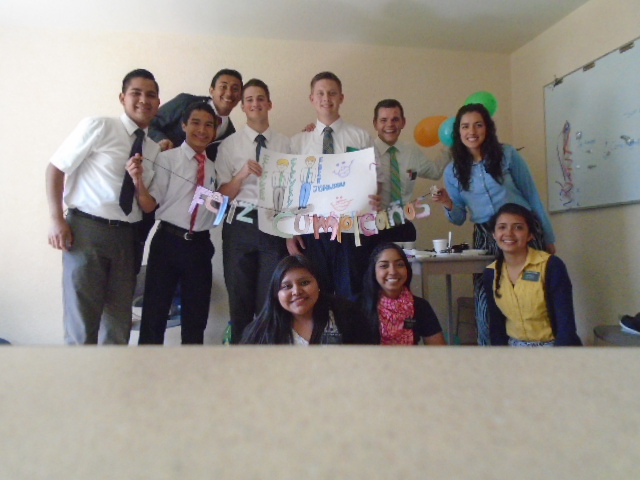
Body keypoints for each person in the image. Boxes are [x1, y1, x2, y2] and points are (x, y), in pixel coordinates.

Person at [46, 68, 161, 344]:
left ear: (158, 103)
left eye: (151, 95)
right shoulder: (99, 126)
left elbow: (146, 204)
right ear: (122, 97)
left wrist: (138, 180)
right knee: (82, 322)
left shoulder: (154, 149)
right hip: (87, 232)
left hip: (127, 238)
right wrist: (56, 219)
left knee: (118, 323)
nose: (143, 100)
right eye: (136, 93)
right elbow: (55, 168)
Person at [432, 103, 556, 345]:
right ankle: (492, 356)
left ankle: (539, 351)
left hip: (523, 234)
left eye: (478, 125)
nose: (472, 131)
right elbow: (458, 218)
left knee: (533, 298)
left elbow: (532, 195)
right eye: (465, 126)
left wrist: (549, 238)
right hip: (486, 238)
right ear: (458, 132)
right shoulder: (453, 171)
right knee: (486, 302)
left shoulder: (507, 154)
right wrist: (447, 203)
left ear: (487, 128)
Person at [287, 71, 380, 300]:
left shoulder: (360, 137)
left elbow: (374, 179)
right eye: (320, 93)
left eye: (332, 93)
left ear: (341, 97)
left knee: (353, 293)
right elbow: (291, 189)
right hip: (312, 229)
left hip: (351, 227)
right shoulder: (298, 142)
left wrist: (373, 200)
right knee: (316, 294)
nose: (326, 98)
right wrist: (289, 232)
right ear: (312, 98)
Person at [134, 102, 218, 345]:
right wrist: (138, 181)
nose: (201, 130)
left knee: (196, 319)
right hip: (168, 243)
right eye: (195, 123)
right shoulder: (167, 159)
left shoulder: (213, 168)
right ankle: (147, 366)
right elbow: (149, 205)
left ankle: (190, 367)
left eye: (208, 125)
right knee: (154, 314)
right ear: (183, 125)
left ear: (214, 131)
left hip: (200, 246)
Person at [215, 79, 290, 343]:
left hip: (274, 224)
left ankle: (268, 359)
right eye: (249, 100)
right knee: (240, 302)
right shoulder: (229, 145)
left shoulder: (286, 144)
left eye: (260, 98)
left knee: (272, 300)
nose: (255, 104)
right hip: (239, 224)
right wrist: (241, 175)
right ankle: (240, 358)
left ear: (269, 104)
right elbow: (221, 196)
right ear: (243, 107)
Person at [482, 204, 581, 346]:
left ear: (530, 235)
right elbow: (496, 326)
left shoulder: (551, 266)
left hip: (552, 347)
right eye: (502, 227)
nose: (509, 233)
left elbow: (566, 324)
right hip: (513, 349)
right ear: (494, 234)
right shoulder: (491, 273)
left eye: (518, 227)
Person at [241, 255, 376, 345]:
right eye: (287, 286)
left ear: (318, 284)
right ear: (276, 293)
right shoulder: (258, 333)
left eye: (304, 283)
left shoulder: (347, 314)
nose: (296, 291)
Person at [373, 99, 450, 243]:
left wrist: (450, 144)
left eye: (395, 119)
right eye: (383, 120)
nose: (390, 124)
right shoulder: (364, 152)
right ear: (375, 124)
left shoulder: (411, 152)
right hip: (373, 228)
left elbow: (435, 172)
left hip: (403, 227)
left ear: (403, 122)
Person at [361, 243, 446, 345]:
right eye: (384, 266)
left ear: (407, 270)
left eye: (400, 265)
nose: (393, 271)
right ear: (373, 272)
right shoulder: (360, 306)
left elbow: (439, 349)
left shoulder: (420, 306)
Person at [148, 68, 243, 159]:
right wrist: (161, 139)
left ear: (240, 96)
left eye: (235, 89)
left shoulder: (231, 137)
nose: (229, 93)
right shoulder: (185, 102)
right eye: (223, 87)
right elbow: (149, 122)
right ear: (212, 90)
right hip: (158, 162)